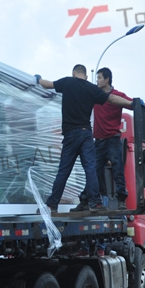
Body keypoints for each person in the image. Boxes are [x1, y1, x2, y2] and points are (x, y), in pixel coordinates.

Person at [35, 65, 133, 213]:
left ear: (73, 73)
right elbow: (112, 98)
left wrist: (39, 79)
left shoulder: (67, 82)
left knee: (64, 171)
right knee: (91, 169)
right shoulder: (91, 88)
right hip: (86, 134)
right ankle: (95, 203)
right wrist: (133, 104)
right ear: (86, 76)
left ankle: (51, 205)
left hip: (70, 135)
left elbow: (47, 84)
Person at [73, 67, 133, 211]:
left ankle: (121, 200)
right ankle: (85, 200)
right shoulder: (95, 94)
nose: (97, 81)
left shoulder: (118, 95)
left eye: (99, 78)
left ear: (107, 79)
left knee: (117, 169)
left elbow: (132, 104)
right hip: (99, 141)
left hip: (112, 140)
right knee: (92, 171)